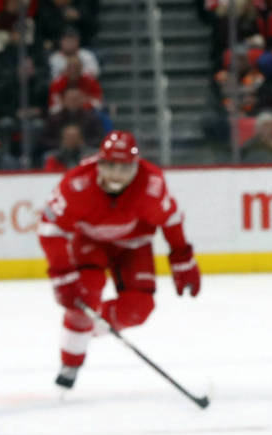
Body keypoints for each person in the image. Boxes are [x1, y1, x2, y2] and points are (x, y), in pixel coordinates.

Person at [36, 131, 200, 389]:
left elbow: (171, 219)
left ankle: (80, 326)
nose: (116, 174)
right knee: (86, 294)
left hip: (133, 246)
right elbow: (50, 230)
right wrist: (62, 275)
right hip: (89, 242)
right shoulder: (76, 184)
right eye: (110, 165)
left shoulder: (151, 185)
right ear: (99, 162)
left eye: (125, 167)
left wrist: (183, 260)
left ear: (136, 166)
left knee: (139, 309)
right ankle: (71, 361)